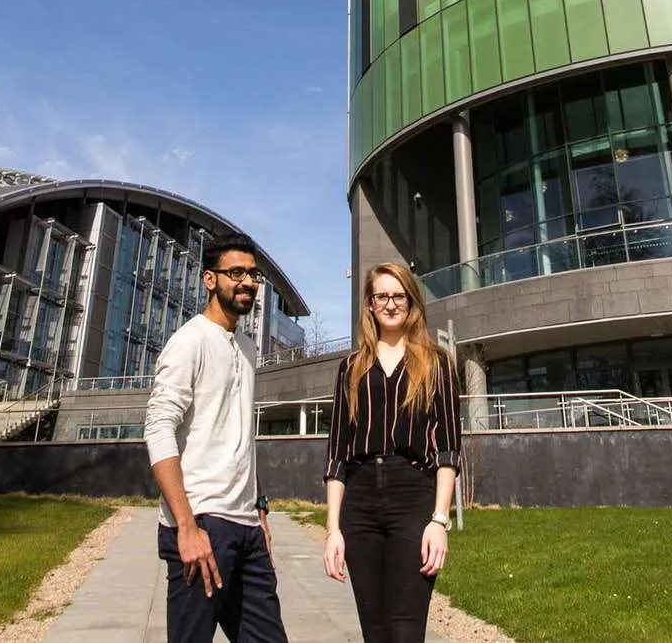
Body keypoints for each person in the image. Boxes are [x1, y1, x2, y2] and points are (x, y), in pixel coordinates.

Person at [144, 234, 286, 643]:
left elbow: (239, 434)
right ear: (210, 279)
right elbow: (157, 428)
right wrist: (186, 526)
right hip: (201, 524)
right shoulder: (189, 342)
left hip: (246, 527)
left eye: (253, 274)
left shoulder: (246, 346)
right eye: (235, 272)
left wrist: (259, 507)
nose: (247, 282)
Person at [321, 262, 462, 643]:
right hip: (359, 501)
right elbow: (337, 454)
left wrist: (439, 520)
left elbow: (448, 449)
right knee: (375, 631)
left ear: (412, 302)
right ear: (369, 304)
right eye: (381, 296)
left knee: (405, 630)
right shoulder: (351, 367)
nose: (390, 303)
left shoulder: (436, 364)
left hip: (412, 497)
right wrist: (333, 528)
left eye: (399, 295)